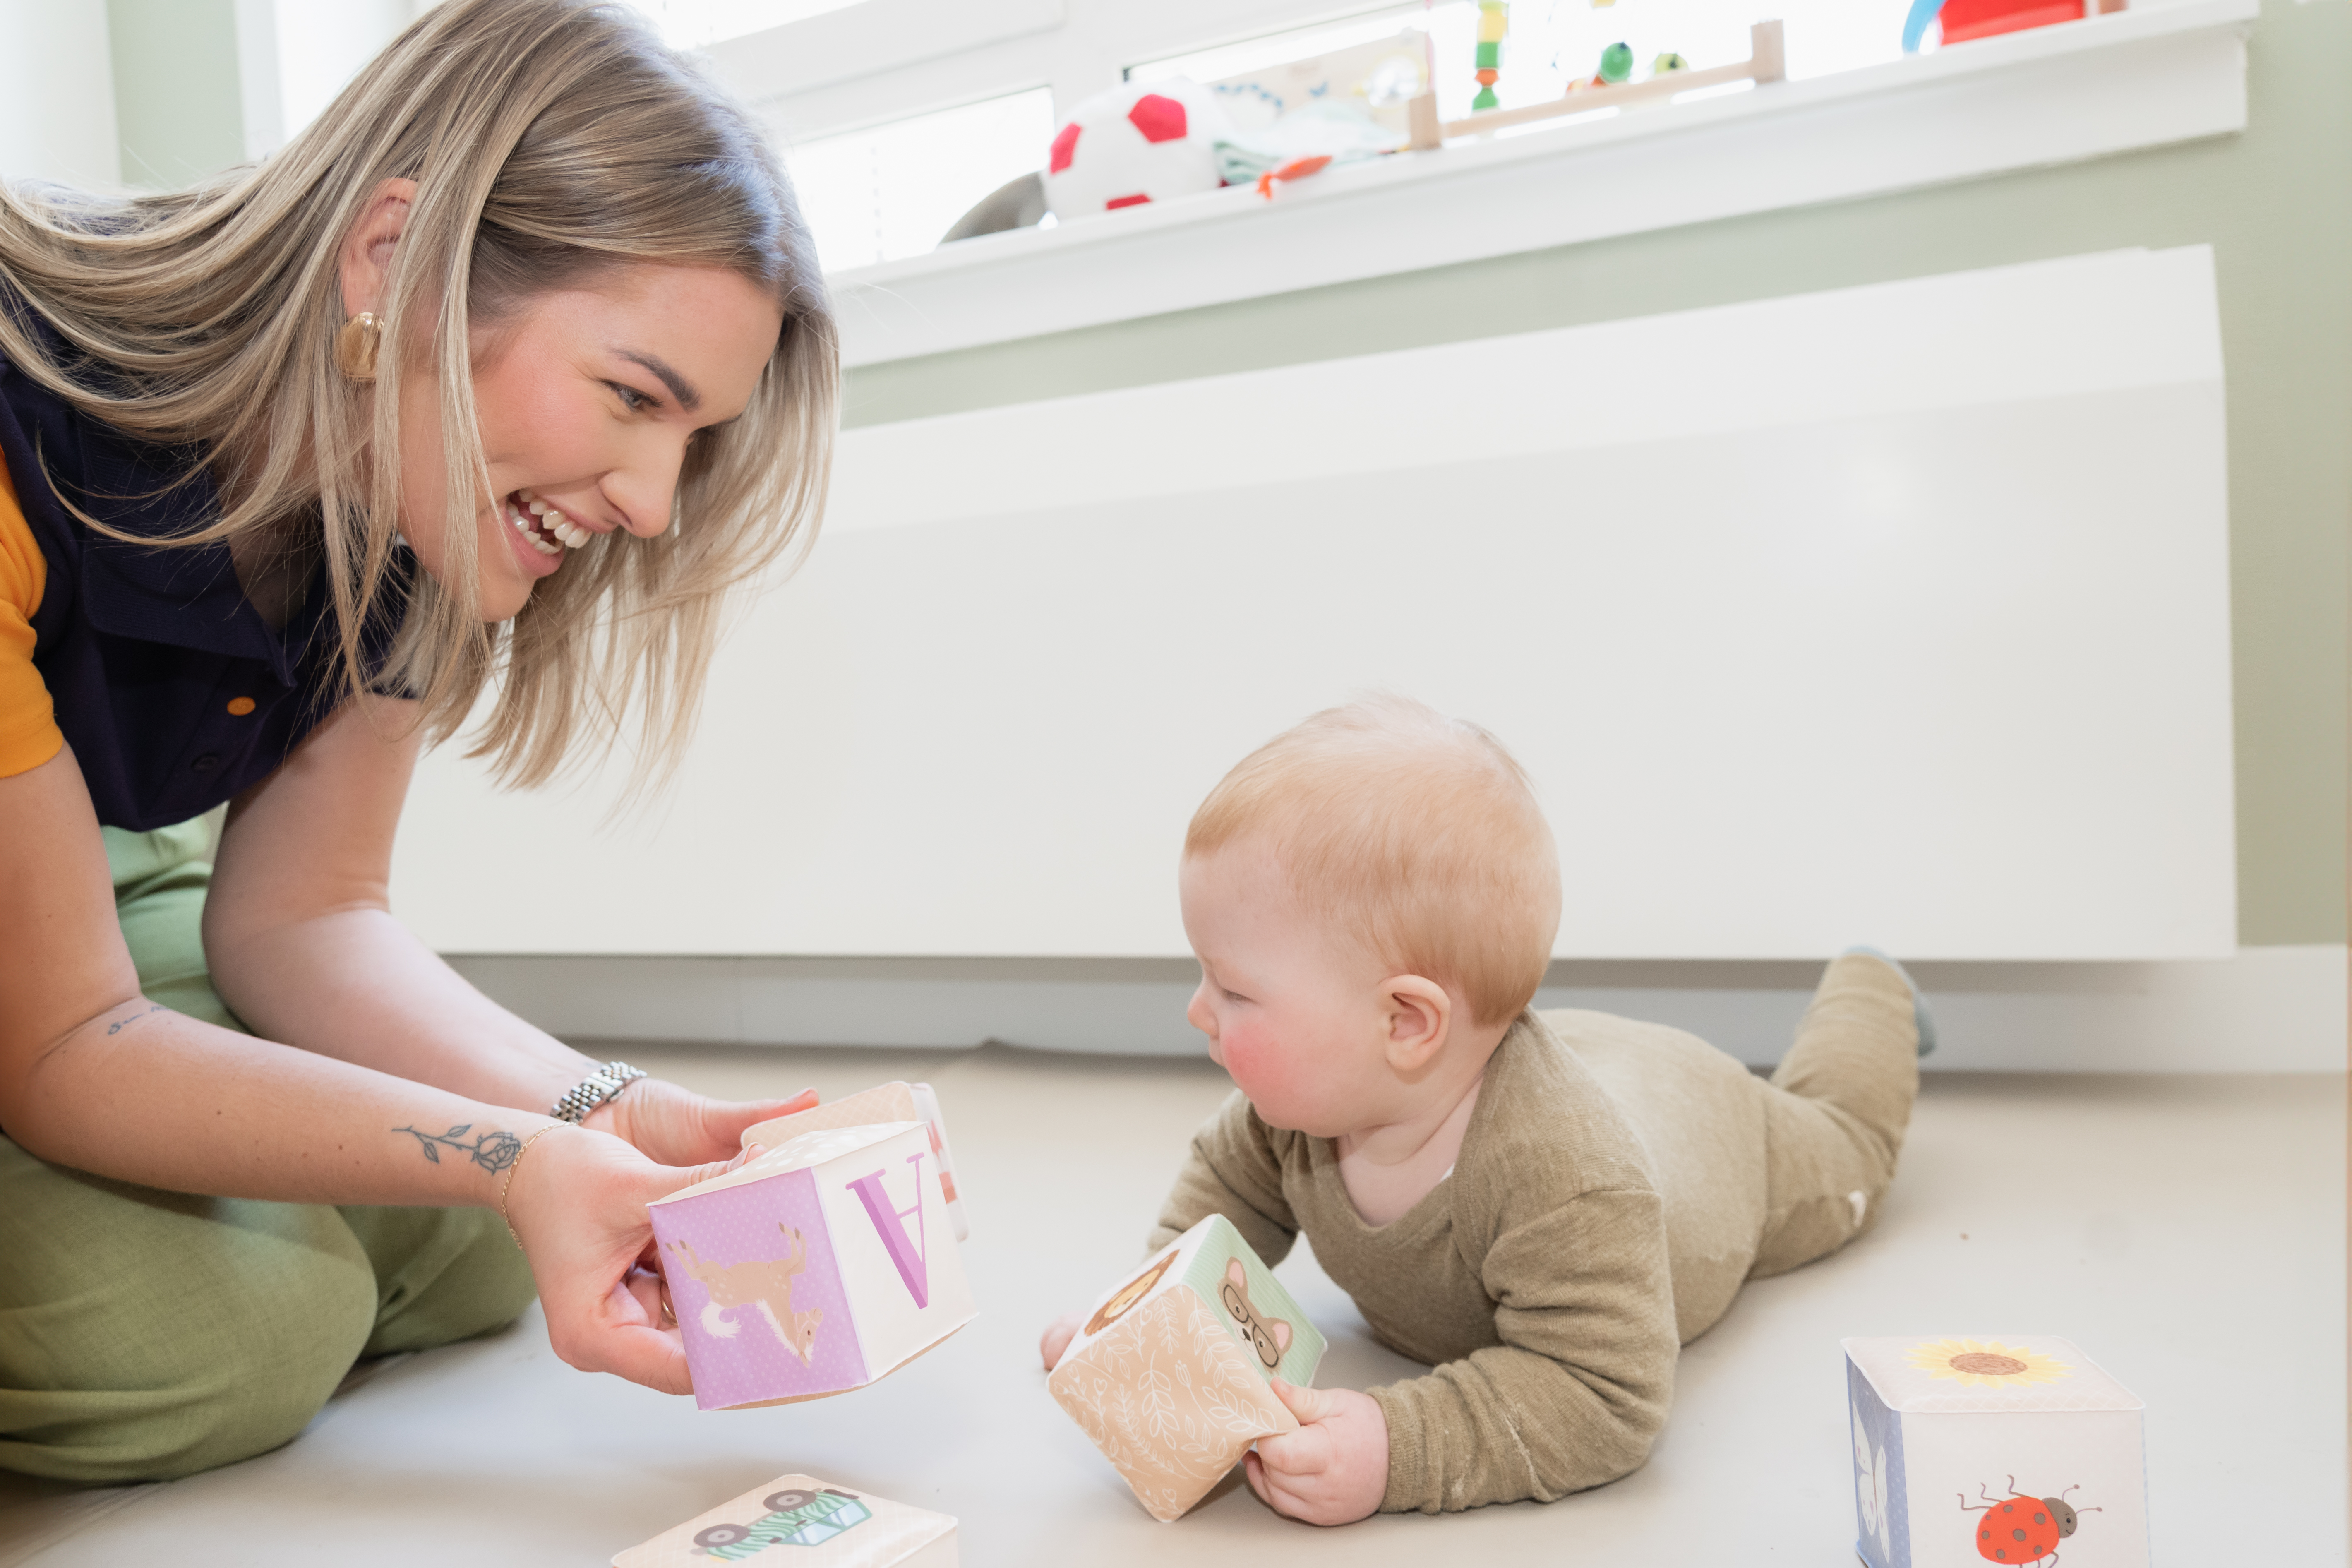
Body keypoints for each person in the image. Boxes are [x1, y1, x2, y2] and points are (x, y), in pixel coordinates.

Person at [0, 0, 837, 1484]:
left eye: (691, 438)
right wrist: (517, 1159)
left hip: (84, 863)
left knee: (479, 1258)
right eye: (634, 398)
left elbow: (304, 918)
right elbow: (63, 1043)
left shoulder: (410, 496)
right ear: (395, 262)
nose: (651, 499)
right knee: (227, 1339)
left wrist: (601, 1113)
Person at [1039, 695, 1932, 1523]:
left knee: (1845, 1143)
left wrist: (1398, 1446)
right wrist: (1142, 1321)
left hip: (1707, 1136)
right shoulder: (1289, 1112)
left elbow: (1602, 1393)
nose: (1198, 1009)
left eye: (1232, 988)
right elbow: (1219, 1198)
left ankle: (1872, 987)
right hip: (1581, 1054)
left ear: (1404, 1020)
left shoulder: (1568, 1179)